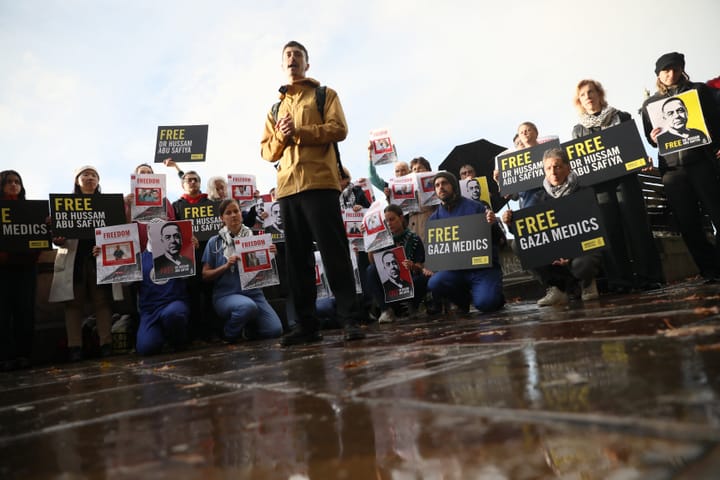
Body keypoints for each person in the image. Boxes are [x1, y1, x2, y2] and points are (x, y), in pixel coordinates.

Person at [261, 40, 365, 345]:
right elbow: (266, 152)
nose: (292, 59)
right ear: (282, 65)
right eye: (288, 56)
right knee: (297, 260)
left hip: (320, 183)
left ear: (307, 64)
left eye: (298, 55)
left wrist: (300, 133)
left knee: (334, 253)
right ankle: (306, 325)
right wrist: (281, 136)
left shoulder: (324, 94)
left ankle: (349, 320)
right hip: (287, 189)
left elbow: (339, 129)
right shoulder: (274, 107)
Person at [572, 79, 664, 292]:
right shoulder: (578, 130)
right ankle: (620, 282)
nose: (587, 97)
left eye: (591, 92)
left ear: (599, 94)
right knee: (611, 233)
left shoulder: (621, 117)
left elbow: (633, 145)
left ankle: (649, 277)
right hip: (600, 189)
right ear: (580, 101)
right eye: (583, 95)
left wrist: (643, 158)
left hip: (626, 181)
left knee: (638, 228)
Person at [641, 52, 720, 282]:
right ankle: (710, 270)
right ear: (658, 74)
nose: (671, 74)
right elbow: (650, 137)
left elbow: (716, 120)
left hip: (703, 163)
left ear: (682, 69)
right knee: (688, 223)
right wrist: (654, 138)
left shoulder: (699, 91)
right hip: (673, 171)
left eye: (675, 69)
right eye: (666, 70)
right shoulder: (649, 104)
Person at [502, 148, 603, 306]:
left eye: (557, 167)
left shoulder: (585, 192)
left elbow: (594, 230)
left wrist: (570, 252)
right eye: (548, 168)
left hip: (581, 252)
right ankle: (557, 289)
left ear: (568, 168)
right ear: (544, 172)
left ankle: (588, 282)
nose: (553, 172)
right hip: (554, 256)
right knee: (518, 244)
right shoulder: (538, 198)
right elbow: (529, 232)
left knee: (583, 264)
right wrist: (510, 224)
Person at [49, 166, 115, 361]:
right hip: (74, 259)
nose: (90, 178)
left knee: (102, 301)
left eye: (94, 175)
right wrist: (57, 237)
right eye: (85, 175)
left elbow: (118, 232)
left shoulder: (107, 205)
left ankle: (106, 343)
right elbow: (56, 237)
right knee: (72, 304)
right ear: (77, 181)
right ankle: (74, 347)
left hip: (99, 258)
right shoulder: (65, 205)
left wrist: (106, 246)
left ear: (98, 181)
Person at [202, 199, 283, 342]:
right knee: (246, 307)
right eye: (228, 213)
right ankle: (229, 333)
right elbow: (205, 275)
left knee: (275, 330)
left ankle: (248, 329)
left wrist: (271, 254)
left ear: (241, 214)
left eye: (236, 211)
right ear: (222, 218)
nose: (233, 215)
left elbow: (264, 271)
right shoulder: (214, 242)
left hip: (254, 294)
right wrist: (225, 266)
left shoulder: (256, 237)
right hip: (226, 295)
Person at [427, 172, 505, 314]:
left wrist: (492, 224)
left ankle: (496, 296)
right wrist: (431, 265)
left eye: (444, 183)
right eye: (437, 185)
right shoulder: (434, 219)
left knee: (486, 304)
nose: (441, 187)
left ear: (454, 186)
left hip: (482, 269)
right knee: (435, 282)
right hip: (456, 272)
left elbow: (500, 240)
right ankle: (462, 301)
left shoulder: (477, 207)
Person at [172, 170, 218, 340]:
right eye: (188, 180)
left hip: (209, 254)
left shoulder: (211, 203)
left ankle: (212, 331)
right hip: (187, 257)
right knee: (192, 295)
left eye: (195, 180)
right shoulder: (177, 205)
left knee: (210, 293)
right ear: (182, 185)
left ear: (199, 183)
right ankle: (194, 333)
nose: (192, 182)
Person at [0, 170, 39, 370]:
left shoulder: (30, 210)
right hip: (2, 270)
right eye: (9, 182)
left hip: (26, 268)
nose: (14, 185)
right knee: (2, 313)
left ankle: (24, 354)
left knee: (25, 311)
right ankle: (4, 356)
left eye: (17, 182)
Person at [366, 204, 429, 323]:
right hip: (390, 286)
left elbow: (420, 266)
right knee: (370, 270)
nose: (389, 223)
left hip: (410, 282)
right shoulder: (383, 240)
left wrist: (412, 266)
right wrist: (370, 242)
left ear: (401, 218)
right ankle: (386, 311)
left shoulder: (414, 238)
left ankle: (412, 307)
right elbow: (374, 263)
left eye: (392, 219)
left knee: (423, 279)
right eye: (386, 221)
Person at [135, 249, 190, 355]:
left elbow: (186, 275)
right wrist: (103, 258)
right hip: (150, 312)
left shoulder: (176, 251)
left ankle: (177, 341)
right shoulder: (139, 258)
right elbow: (126, 283)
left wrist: (189, 250)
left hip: (173, 303)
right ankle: (159, 336)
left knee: (174, 313)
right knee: (145, 348)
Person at [124, 163, 176, 251]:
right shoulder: (127, 200)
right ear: (135, 176)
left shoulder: (164, 200)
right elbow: (124, 228)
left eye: (149, 173)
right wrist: (128, 207)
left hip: (160, 248)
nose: (146, 175)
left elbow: (173, 223)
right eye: (142, 172)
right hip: (137, 249)